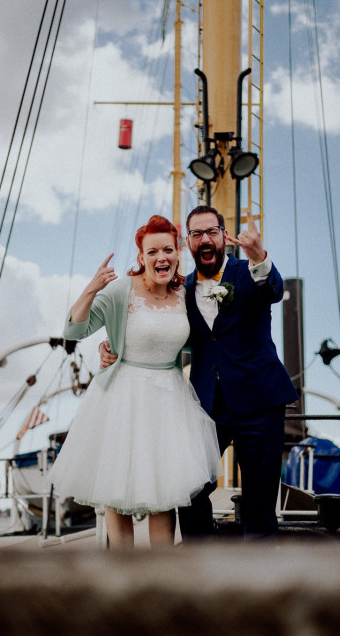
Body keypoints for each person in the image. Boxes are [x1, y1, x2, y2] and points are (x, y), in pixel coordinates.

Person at [102, 205, 298, 541]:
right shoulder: (181, 290)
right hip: (206, 407)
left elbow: (273, 291)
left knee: (259, 502)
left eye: (211, 232)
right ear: (188, 243)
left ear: (224, 235)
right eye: (196, 234)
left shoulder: (249, 272)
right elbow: (159, 331)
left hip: (260, 403)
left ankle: (259, 570)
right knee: (188, 490)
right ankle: (200, 563)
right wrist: (110, 345)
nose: (205, 239)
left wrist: (258, 256)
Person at [48, 214, 220, 549]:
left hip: (169, 399)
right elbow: (74, 329)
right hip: (122, 397)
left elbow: (198, 341)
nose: (161, 257)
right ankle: (123, 567)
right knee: (116, 487)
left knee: (164, 492)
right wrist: (92, 289)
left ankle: (160, 571)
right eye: (152, 251)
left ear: (177, 252)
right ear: (141, 257)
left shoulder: (185, 294)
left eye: (167, 250)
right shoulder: (120, 291)